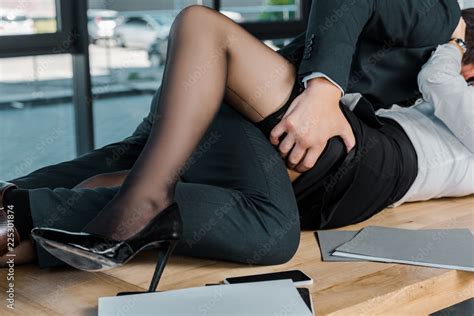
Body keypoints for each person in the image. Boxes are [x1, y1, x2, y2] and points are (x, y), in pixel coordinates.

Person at [0, 1, 465, 275]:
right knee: (266, 229)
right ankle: (142, 200)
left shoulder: (434, 87)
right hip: (261, 108)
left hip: (233, 111)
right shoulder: (441, 17)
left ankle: (22, 205)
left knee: (118, 164)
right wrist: (325, 88)